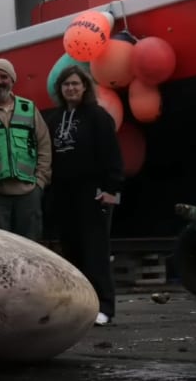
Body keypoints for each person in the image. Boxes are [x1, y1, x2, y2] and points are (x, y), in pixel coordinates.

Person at [46, 65, 123, 326]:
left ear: (85, 87)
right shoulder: (53, 119)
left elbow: (113, 156)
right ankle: (82, 305)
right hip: (64, 195)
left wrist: (110, 192)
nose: (71, 88)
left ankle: (105, 307)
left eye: (76, 84)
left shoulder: (98, 117)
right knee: (72, 250)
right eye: (66, 84)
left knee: (96, 250)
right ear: (61, 89)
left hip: (95, 193)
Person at [0, 59, 52, 241]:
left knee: (31, 249)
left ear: (12, 80)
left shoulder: (29, 109)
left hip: (28, 194)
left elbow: (44, 145)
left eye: (4, 76)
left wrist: (40, 182)